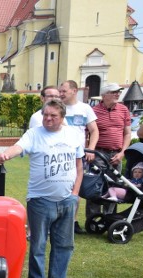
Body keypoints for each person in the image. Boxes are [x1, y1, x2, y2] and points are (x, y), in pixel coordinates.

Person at [0, 99, 83, 278]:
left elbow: (79, 167)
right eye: (46, 115)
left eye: (53, 116)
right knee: (38, 243)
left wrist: (75, 194)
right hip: (40, 200)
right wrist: (6, 155)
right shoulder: (34, 134)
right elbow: (18, 147)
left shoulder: (74, 135)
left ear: (62, 118)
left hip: (67, 200)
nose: (48, 119)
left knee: (64, 244)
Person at [58, 79, 99, 233]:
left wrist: (90, 149)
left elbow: (94, 130)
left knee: (76, 188)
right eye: (60, 91)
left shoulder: (85, 108)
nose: (61, 94)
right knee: (60, 185)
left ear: (74, 91)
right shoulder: (58, 107)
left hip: (78, 155)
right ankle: (58, 219)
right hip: (60, 154)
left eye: (64, 91)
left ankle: (73, 221)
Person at [90, 83, 132, 228]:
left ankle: (110, 219)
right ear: (104, 94)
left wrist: (122, 153)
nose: (117, 94)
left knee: (114, 187)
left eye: (118, 92)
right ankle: (94, 219)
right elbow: (87, 132)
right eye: (114, 92)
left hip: (117, 153)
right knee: (95, 186)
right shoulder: (93, 111)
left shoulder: (124, 110)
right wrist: (89, 151)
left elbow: (127, 133)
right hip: (99, 153)